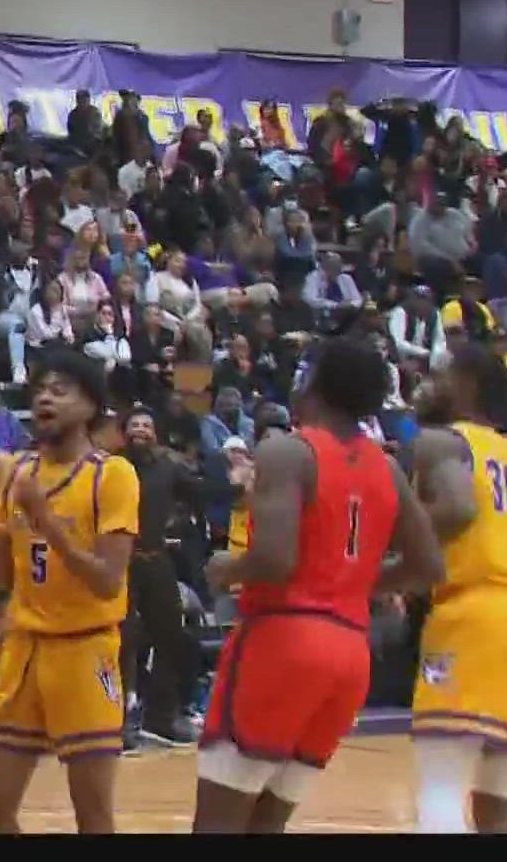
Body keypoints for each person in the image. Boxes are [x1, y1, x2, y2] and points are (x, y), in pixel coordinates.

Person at [193, 337, 442, 834]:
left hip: (282, 640)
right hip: (350, 653)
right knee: (266, 825)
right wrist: (353, 580)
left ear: (312, 384)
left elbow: (276, 559)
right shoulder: (388, 467)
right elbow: (429, 566)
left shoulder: (288, 449)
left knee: (217, 826)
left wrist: (227, 567)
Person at [0, 348, 137, 834]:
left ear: (91, 407)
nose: (45, 397)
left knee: (93, 817)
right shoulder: (18, 475)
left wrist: (44, 520)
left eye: (60, 389)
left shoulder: (112, 475)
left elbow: (107, 581)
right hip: (23, 650)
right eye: (40, 389)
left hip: (85, 650)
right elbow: (4, 574)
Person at [407, 342, 507, 833]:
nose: (429, 385)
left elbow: (456, 511)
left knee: (440, 786)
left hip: (471, 616)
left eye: (440, 375)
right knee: (497, 805)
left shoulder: (440, 442)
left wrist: (396, 560)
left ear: (466, 387)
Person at [118, 406, 201, 749]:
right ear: (125, 432)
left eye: (146, 425)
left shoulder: (169, 468)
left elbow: (200, 492)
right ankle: (118, 722)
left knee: (172, 636)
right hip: (120, 561)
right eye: (134, 423)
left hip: (156, 559)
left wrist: (239, 486)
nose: (140, 429)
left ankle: (161, 718)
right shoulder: (113, 467)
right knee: (122, 642)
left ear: (156, 434)